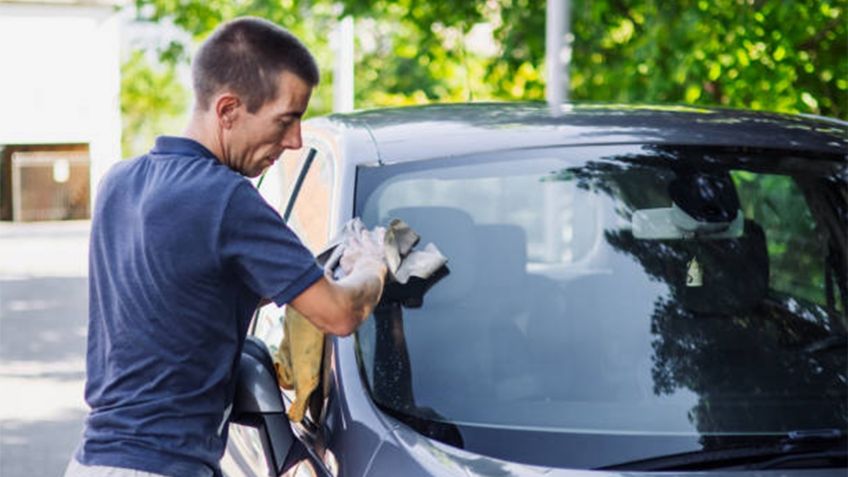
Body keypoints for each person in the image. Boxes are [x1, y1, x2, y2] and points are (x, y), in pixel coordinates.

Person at [65, 17, 387, 477]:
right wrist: (373, 269)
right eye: (286, 119)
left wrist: (308, 271)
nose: (295, 140)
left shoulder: (119, 183)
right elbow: (338, 314)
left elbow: (185, 298)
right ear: (228, 110)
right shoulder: (227, 199)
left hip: (93, 462)